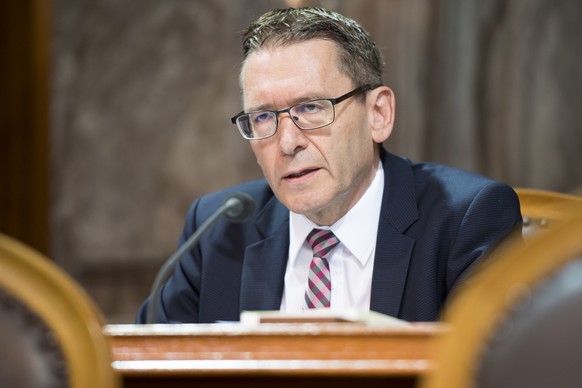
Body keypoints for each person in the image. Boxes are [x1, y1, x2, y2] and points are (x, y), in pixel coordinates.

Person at [136, 7, 521, 324]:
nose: (287, 143)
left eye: (311, 107)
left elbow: (491, 371)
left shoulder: (466, 218)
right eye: (264, 117)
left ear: (379, 114)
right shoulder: (218, 229)